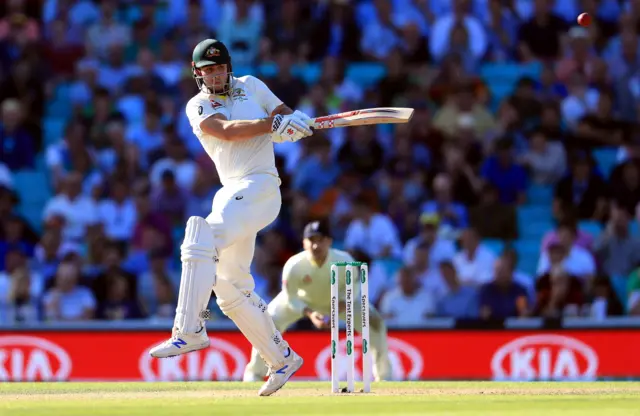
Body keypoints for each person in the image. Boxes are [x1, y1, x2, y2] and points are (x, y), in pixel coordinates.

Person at [148, 39, 314, 396]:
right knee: (228, 284)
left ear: (228, 66)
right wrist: (273, 124)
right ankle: (281, 358)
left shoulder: (251, 85)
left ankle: (189, 331)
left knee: (200, 235)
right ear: (198, 75)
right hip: (233, 190)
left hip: (262, 186)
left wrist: (292, 124)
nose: (215, 74)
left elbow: (282, 114)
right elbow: (225, 130)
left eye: (219, 67)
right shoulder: (198, 106)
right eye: (207, 70)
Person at [243, 220, 392, 382]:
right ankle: (254, 374)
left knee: (375, 323)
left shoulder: (345, 261)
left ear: (329, 241)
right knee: (267, 322)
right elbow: (290, 297)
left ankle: (384, 377)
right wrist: (310, 313)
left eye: (320, 240)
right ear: (304, 243)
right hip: (303, 302)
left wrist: (343, 302)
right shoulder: (295, 265)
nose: (316, 245)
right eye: (311, 240)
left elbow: (355, 286)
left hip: (340, 303)